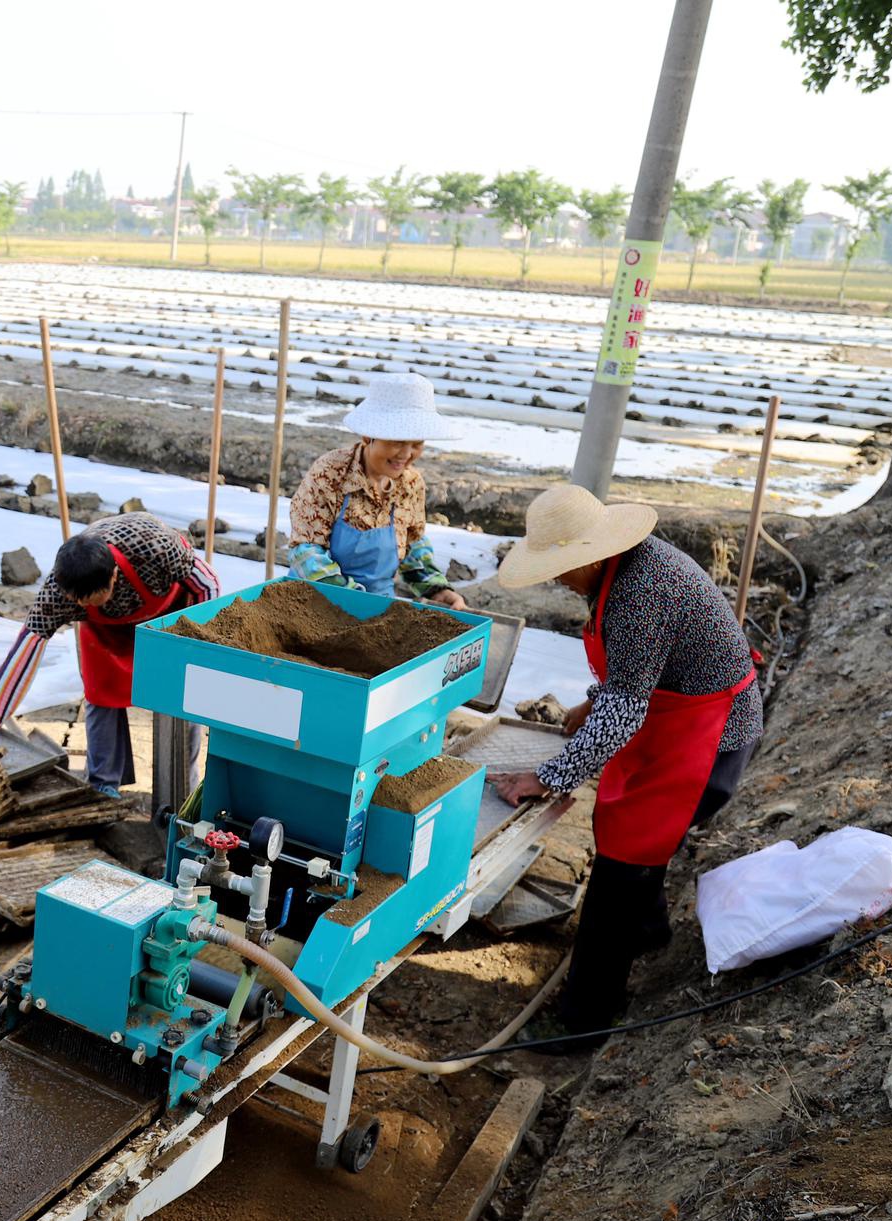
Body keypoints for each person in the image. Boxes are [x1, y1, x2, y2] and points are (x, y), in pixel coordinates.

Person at [488, 484, 763, 1046]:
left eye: (561, 569)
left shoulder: (640, 593)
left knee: (620, 868)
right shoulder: (624, 571)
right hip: (679, 713)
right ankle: (649, 931)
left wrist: (546, 777)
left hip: (711, 736)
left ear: (589, 555)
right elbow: (632, 677)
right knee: (635, 851)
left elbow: (625, 709)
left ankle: (582, 1024)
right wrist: (592, 701)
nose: (558, 580)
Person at [0, 511, 217, 797]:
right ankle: (104, 783)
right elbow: (24, 653)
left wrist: (196, 645)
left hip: (169, 617)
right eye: (78, 601)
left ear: (114, 575)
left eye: (95, 597)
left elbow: (206, 584)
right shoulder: (56, 594)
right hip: (105, 633)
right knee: (100, 691)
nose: (85, 603)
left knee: (179, 696)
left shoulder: (156, 548)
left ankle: (183, 789)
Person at [288, 371, 468, 609]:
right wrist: (353, 598)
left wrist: (437, 589)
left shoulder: (411, 484)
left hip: (377, 608)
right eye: (396, 441)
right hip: (314, 602)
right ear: (367, 435)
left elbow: (413, 545)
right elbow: (306, 551)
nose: (405, 455)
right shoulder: (330, 473)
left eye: (416, 444)